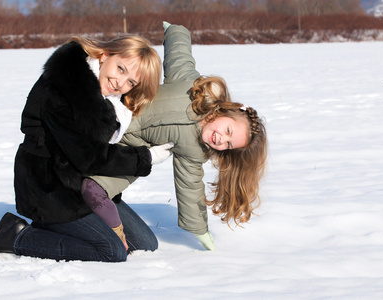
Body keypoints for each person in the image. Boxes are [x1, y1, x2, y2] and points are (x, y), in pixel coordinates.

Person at [0, 34, 173, 262]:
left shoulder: (109, 100)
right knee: (112, 251)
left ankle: (63, 230)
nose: (121, 83)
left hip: (81, 187)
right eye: (121, 69)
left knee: (145, 244)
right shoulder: (64, 85)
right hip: (49, 190)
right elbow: (89, 157)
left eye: (131, 82)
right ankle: (15, 237)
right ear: (105, 55)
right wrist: (145, 158)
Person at [87, 23, 267, 252]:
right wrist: (176, 31)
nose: (221, 139)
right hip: (124, 106)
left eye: (229, 145)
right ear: (225, 112)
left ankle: (96, 189)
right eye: (228, 131)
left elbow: (190, 189)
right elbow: (180, 57)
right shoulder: (194, 88)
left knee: (126, 170)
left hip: (129, 148)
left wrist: (200, 230)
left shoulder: (195, 152)